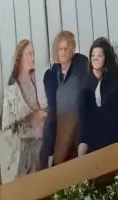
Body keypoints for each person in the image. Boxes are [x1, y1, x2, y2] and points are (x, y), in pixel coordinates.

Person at [39, 29, 90, 168]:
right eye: (60, 49)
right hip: (60, 126)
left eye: (65, 49)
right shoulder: (53, 76)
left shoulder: (79, 69)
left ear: (72, 50)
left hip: (76, 126)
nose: (62, 52)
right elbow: (52, 109)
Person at [0, 39, 47, 182]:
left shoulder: (37, 83)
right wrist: (30, 118)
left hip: (40, 147)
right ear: (20, 59)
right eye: (29, 54)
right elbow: (7, 127)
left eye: (33, 53)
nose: (33, 57)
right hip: (23, 152)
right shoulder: (12, 90)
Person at [77, 38, 118, 155]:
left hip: (115, 142)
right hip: (94, 145)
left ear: (106, 58)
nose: (95, 58)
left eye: (99, 55)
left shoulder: (115, 83)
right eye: (93, 55)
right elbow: (85, 123)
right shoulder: (85, 88)